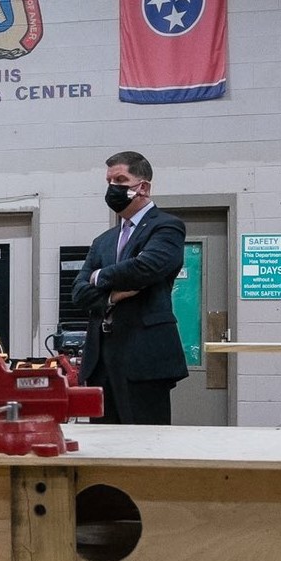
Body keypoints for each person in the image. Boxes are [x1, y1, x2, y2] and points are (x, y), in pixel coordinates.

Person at [69, 150, 188, 424]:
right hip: (100, 362)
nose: (113, 188)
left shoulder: (167, 227)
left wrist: (98, 277)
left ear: (142, 187)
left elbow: (145, 269)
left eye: (120, 179)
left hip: (144, 358)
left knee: (146, 446)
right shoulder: (103, 241)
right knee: (103, 449)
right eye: (109, 181)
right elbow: (78, 292)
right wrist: (110, 296)